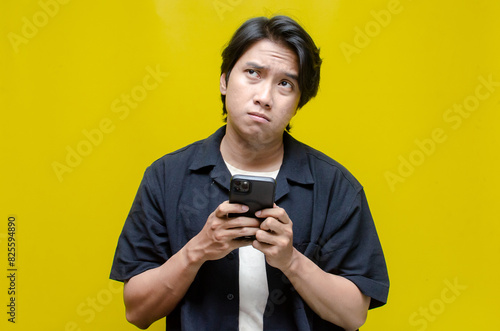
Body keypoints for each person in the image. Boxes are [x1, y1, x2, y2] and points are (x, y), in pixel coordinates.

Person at [110, 15, 389, 331]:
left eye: (285, 84)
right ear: (225, 80)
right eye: (253, 73)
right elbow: (137, 311)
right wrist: (197, 250)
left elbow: (353, 316)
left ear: (298, 103)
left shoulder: (336, 187)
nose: (265, 98)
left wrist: (290, 260)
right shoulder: (166, 177)